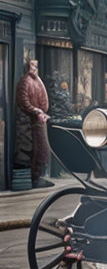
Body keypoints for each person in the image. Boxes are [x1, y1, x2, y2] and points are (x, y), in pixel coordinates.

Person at [15, 59, 52, 188]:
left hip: (38, 121)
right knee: (28, 151)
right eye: (32, 65)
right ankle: (29, 179)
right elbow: (24, 101)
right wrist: (36, 110)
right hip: (28, 122)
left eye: (36, 66)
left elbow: (44, 99)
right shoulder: (25, 81)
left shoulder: (37, 81)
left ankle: (36, 177)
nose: (34, 68)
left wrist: (41, 111)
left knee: (41, 151)